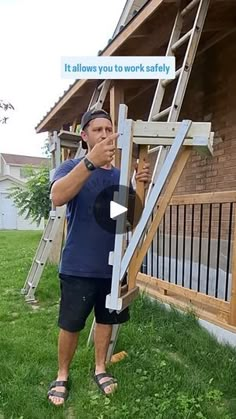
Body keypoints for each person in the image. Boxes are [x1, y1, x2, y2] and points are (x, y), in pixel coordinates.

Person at [47, 109, 151, 406]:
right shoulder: (70, 166)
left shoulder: (119, 176)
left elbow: (128, 219)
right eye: (98, 130)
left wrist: (137, 187)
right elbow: (57, 197)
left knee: (106, 320)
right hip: (78, 265)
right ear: (85, 135)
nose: (105, 135)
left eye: (109, 129)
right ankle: (63, 374)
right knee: (71, 324)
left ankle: (100, 367)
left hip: (111, 266)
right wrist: (91, 162)